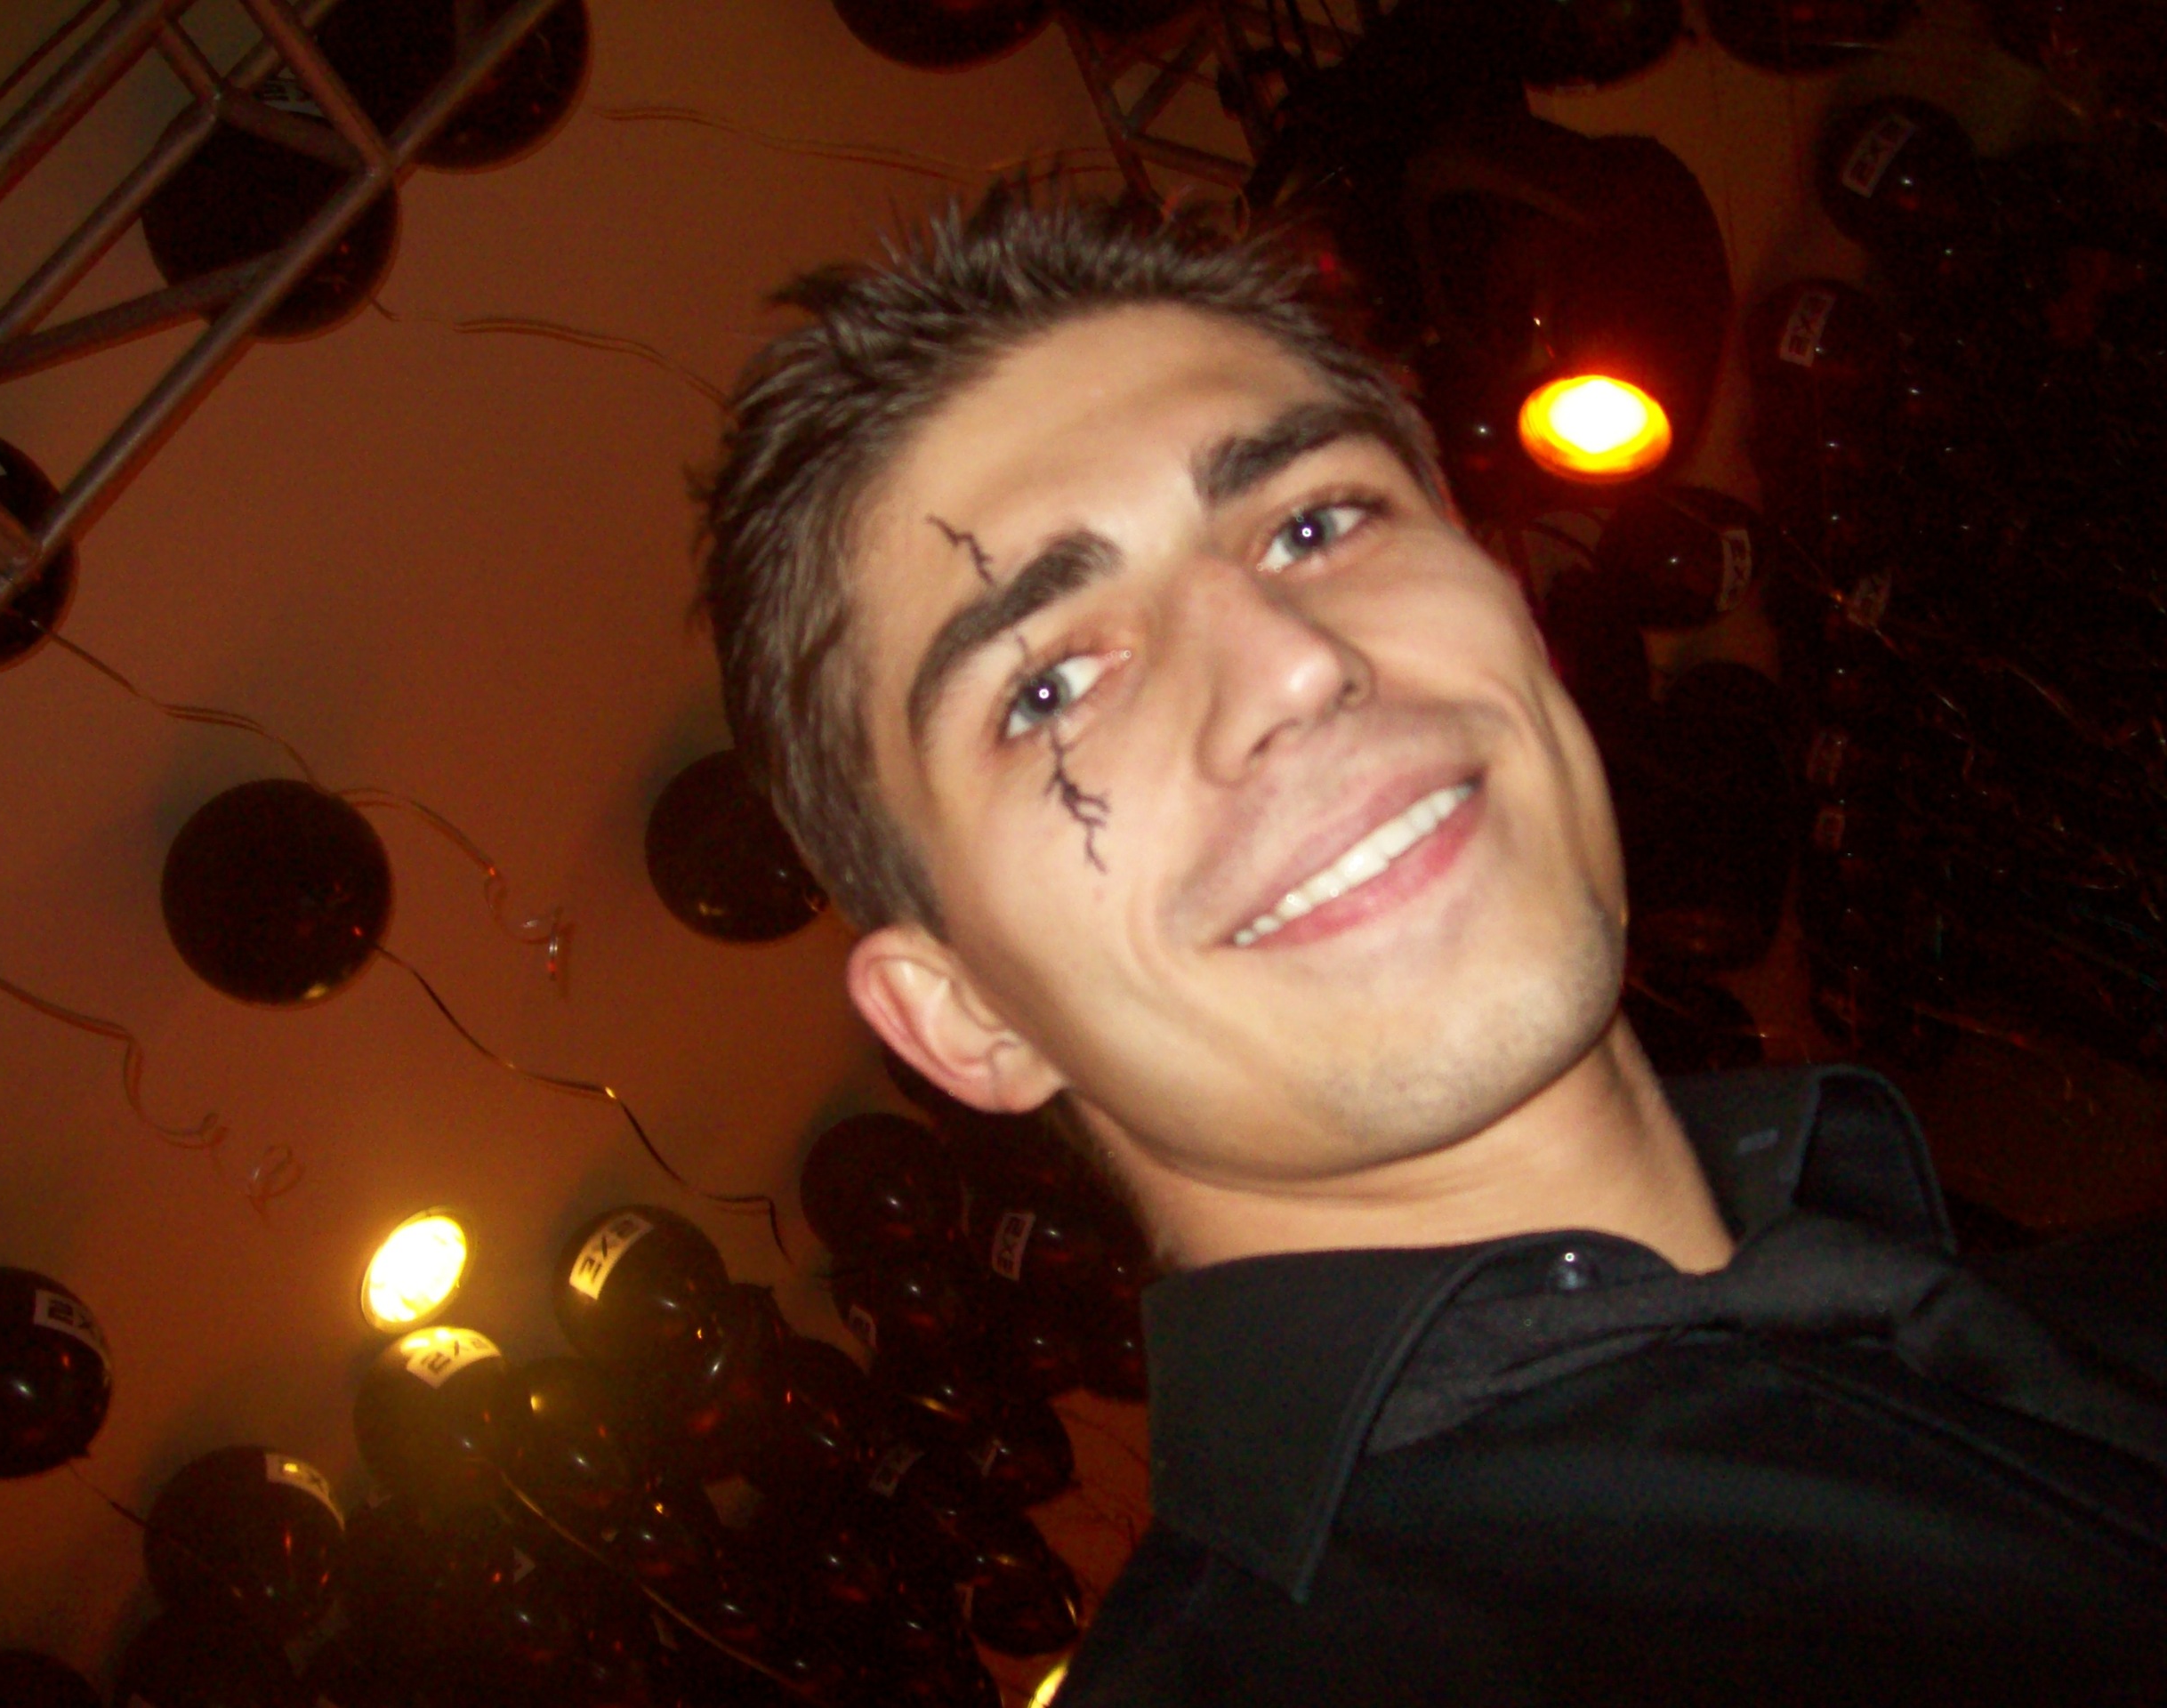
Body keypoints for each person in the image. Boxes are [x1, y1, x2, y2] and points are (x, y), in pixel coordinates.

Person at [696, 187, 2167, 1704]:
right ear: (962, 1019)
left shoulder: (2069, 1317)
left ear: (1506, 598)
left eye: (1314, 525)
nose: (1292, 666)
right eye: (1050, 689)